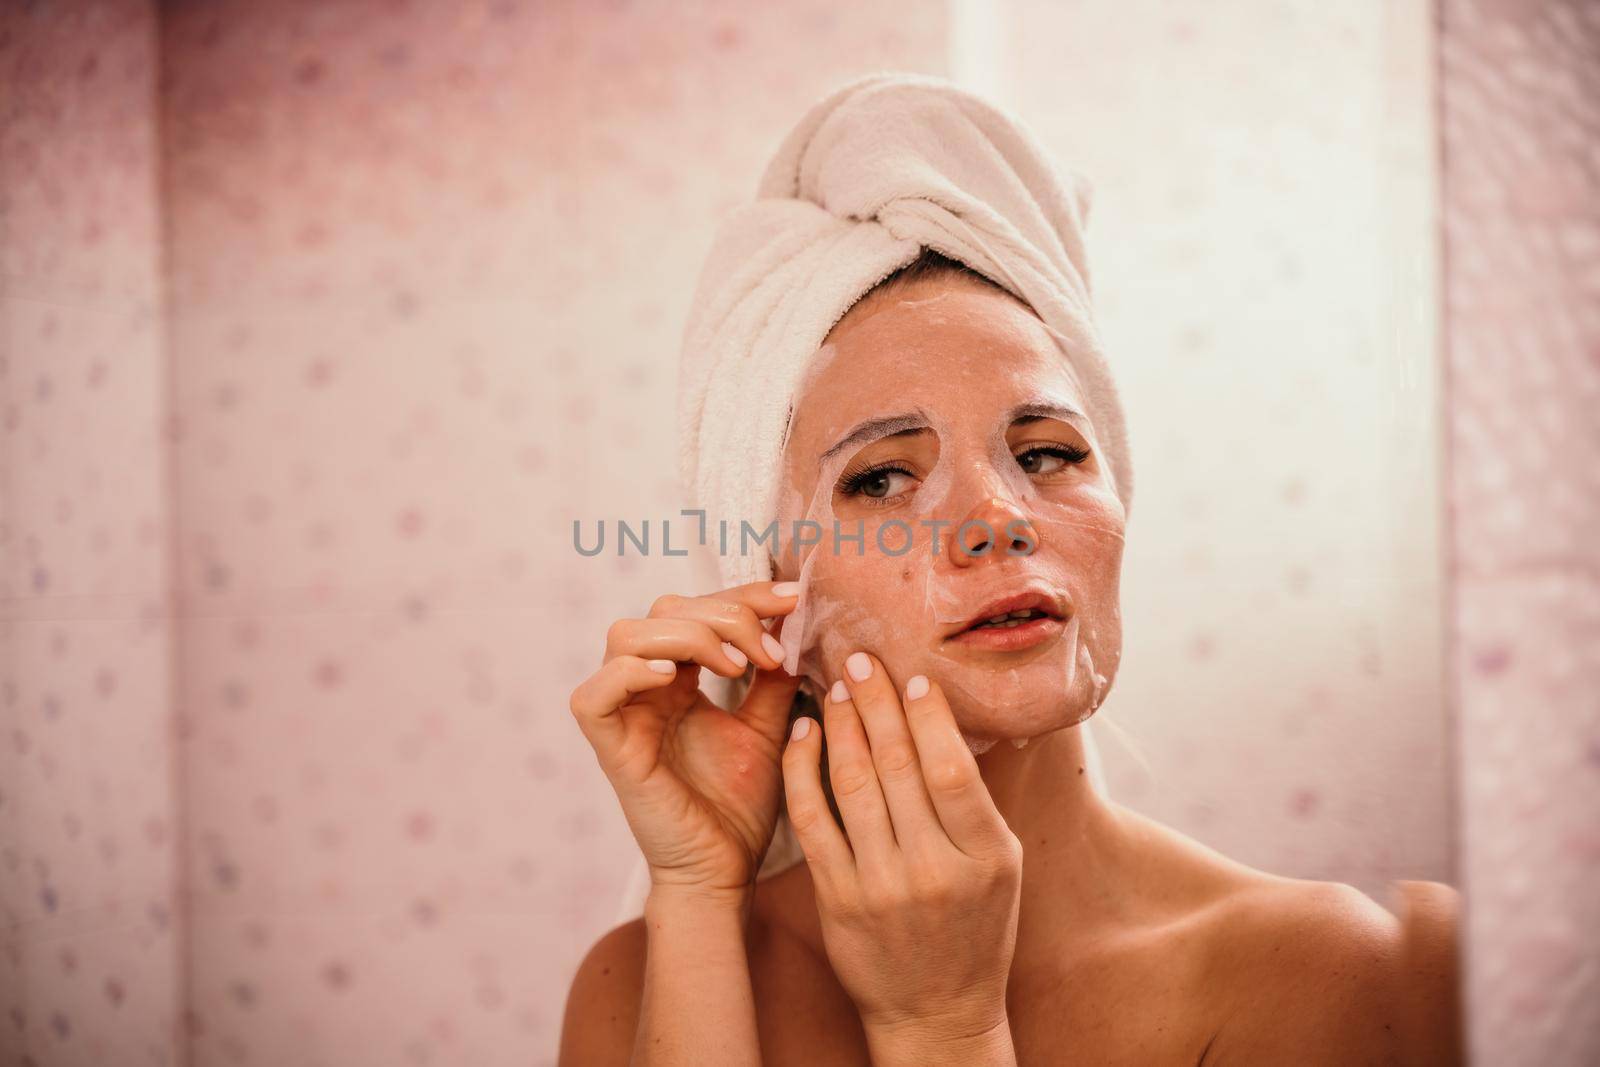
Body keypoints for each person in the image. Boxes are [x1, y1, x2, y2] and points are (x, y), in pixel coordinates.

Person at [560, 75, 1461, 1066]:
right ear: (769, 587)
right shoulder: (648, 986)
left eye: (1045, 453)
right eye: (882, 478)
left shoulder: (1357, 976)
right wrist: (693, 893)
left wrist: (941, 1030)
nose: (996, 516)